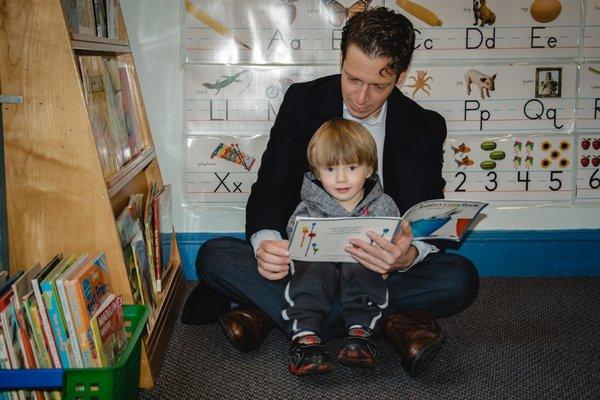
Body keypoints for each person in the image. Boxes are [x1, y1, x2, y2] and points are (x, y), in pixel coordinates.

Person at [193, 7, 479, 378]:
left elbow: (429, 214)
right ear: (342, 60)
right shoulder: (302, 102)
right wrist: (267, 246)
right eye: (352, 79)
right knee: (214, 255)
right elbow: (270, 192)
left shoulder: (423, 126)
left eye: (378, 85)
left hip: (378, 272)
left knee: (460, 278)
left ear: (401, 76)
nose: (361, 98)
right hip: (307, 268)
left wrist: (407, 256)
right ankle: (382, 321)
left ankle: (289, 319)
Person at [284, 118, 401, 376]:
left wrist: (388, 259)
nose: (340, 178)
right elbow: (295, 241)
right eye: (329, 169)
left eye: (351, 167)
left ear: (369, 169)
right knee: (309, 269)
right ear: (316, 173)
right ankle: (305, 337)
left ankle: (360, 334)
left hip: (361, 281)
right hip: (317, 281)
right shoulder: (309, 208)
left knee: (363, 259)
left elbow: (392, 241)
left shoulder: (383, 205)